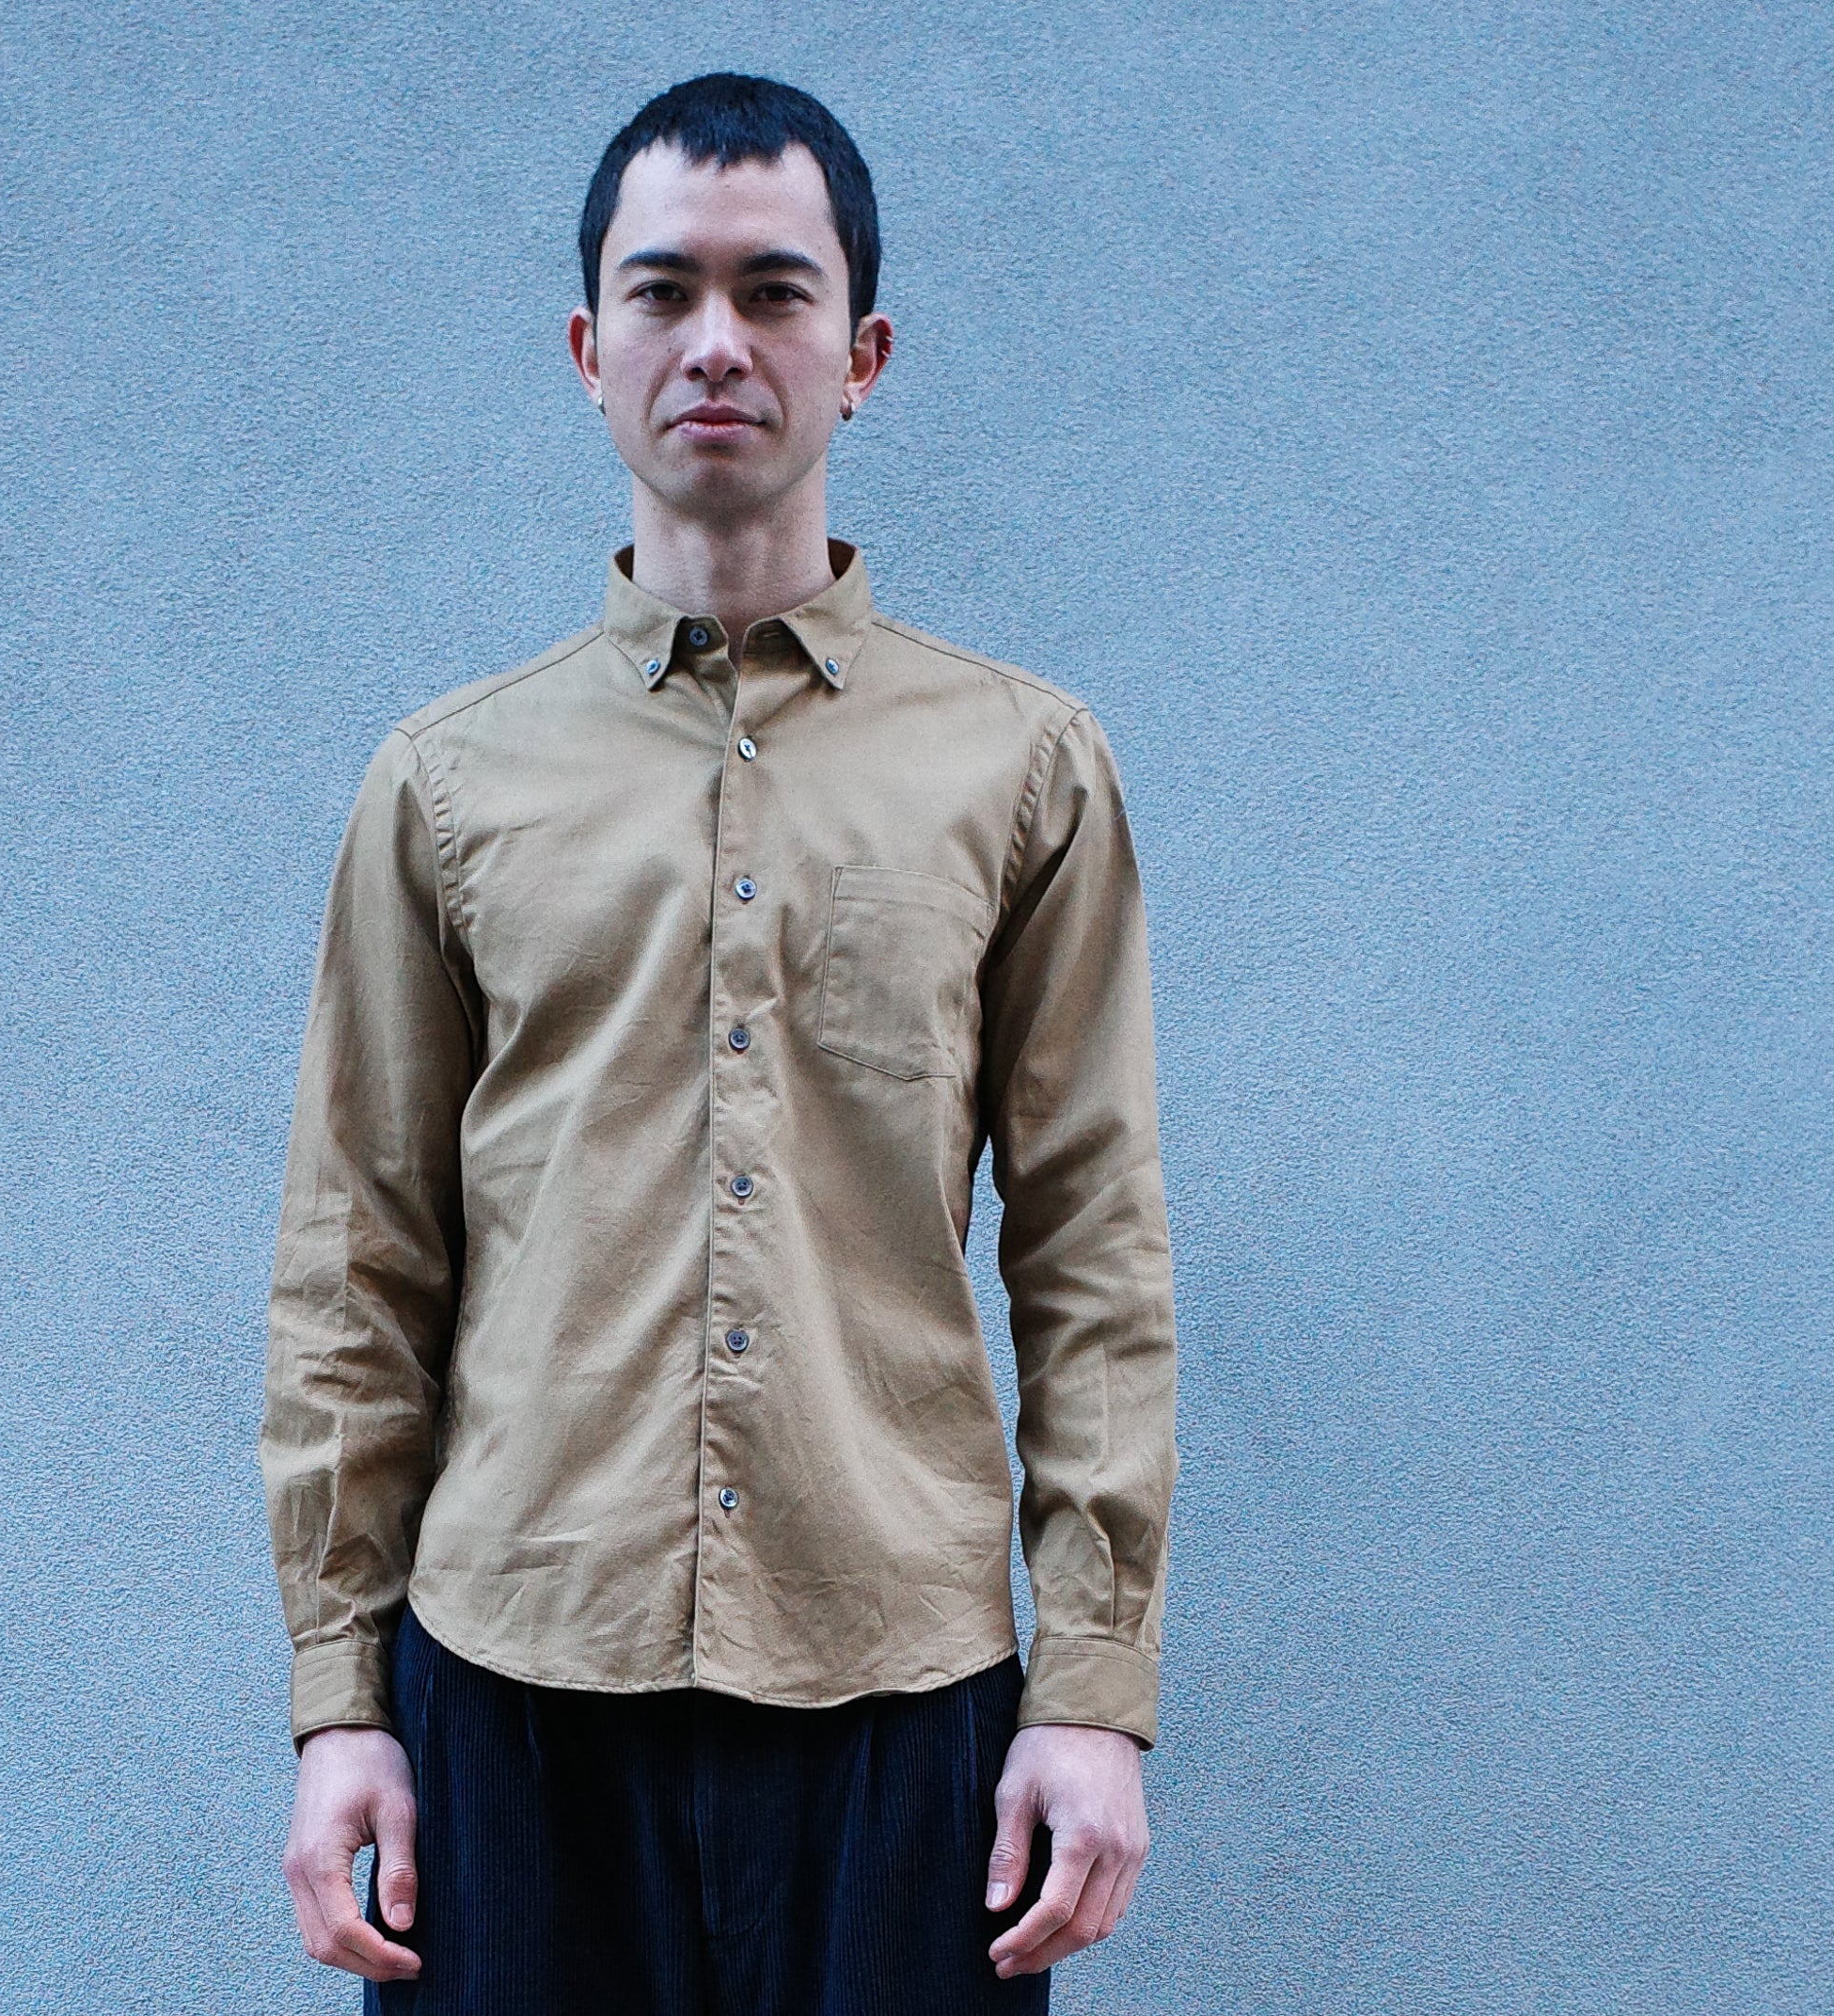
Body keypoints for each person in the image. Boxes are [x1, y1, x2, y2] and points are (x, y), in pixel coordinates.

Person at [261, 71, 1180, 2014]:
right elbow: (359, 1258)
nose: (716, 342)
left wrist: (1093, 1692)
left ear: (863, 355)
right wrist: (340, 1701)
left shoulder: (1024, 770)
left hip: (901, 1691)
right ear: (588, 349)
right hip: (514, 1686)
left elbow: (1093, 1252)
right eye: (664, 290)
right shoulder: (447, 784)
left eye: (775, 292)